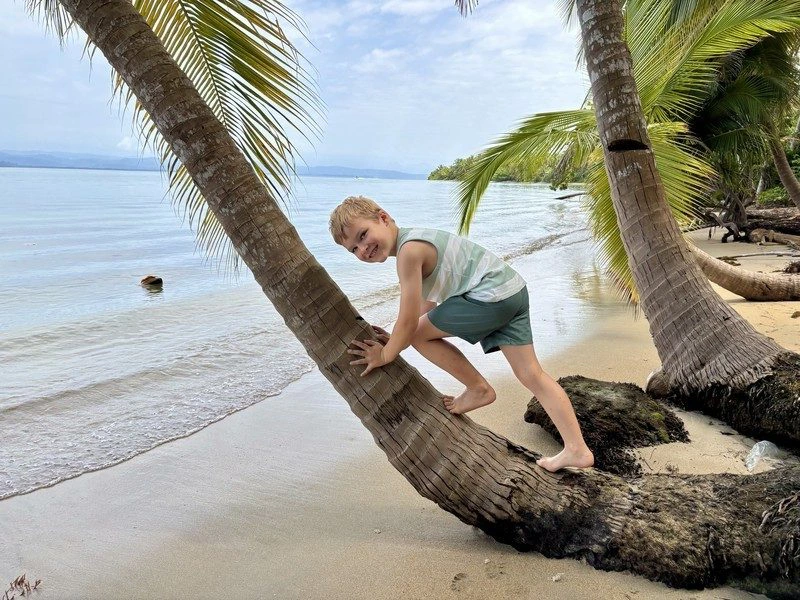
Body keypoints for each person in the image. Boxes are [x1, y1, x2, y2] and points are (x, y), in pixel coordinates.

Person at [329, 195, 593, 472]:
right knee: (532, 375)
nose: (362, 249)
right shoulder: (417, 240)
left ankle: (478, 389)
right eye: (353, 249)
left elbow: (410, 322)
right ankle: (577, 449)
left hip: (490, 296)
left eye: (362, 235)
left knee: (417, 334)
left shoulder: (409, 252)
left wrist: (386, 353)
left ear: (383, 218)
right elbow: (423, 308)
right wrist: (397, 340)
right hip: (512, 291)